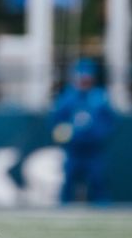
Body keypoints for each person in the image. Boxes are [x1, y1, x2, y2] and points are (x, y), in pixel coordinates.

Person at [48, 59, 117, 204]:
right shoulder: (67, 97)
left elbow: (110, 121)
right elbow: (57, 120)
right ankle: (63, 212)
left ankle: (103, 210)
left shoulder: (100, 96)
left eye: (87, 77)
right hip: (73, 149)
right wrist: (63, 133)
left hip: (93, 149)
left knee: (98, 181)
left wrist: (98, 134)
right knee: (68, 182)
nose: (84, 80)